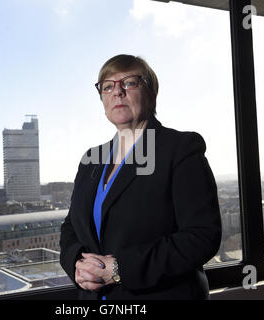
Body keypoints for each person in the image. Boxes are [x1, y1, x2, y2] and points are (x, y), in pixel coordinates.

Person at [60, 54, 222, 300]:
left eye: (130, 83)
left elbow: (201, 236)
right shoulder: (91, 159)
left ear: (152, 93)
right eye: (108, 86)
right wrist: (76, 264)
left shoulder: (180, 149)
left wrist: (118, 270)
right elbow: (71, 226)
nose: (118, 92)